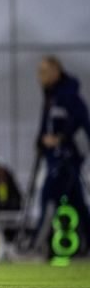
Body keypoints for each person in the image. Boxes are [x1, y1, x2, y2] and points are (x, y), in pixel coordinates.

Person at [34, 56, 90, 248]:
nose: (40, 76)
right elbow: (46, 125)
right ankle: (84, 243)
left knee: (48, 197)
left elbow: (82, 125)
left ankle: (38, 245)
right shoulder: (50, 96)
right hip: (55, 159)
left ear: (56, 72)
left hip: (66, 160)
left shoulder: (69, 96)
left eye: (44, 72)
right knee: (78, 203)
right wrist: (41, 142)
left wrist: (61, 139)